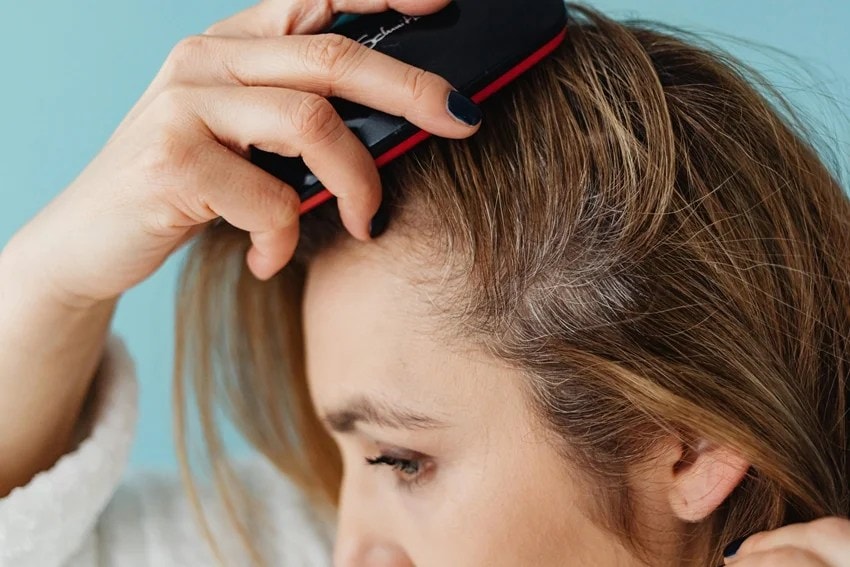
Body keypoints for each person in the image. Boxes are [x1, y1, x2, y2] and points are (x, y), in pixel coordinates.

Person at [1, 0, 849, 565]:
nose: (348, 553)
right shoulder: (292, 539)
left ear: (688, 443)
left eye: (401, 461)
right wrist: (51, 279)